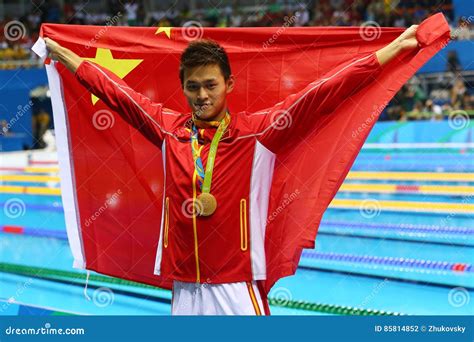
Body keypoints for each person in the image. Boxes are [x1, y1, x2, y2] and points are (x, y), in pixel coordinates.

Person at [43, 24, 419, 315]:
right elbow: (117, 93)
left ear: (229, 84)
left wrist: (388, 52)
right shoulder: (168, 130)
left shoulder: (257, 132)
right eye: (193, 87)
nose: (202, 96)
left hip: (235, 282)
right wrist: (65, 56)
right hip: (186, 284)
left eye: (210, 85)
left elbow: (323, 92)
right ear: (183, 89)